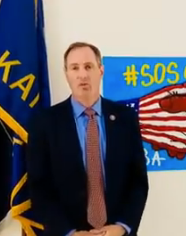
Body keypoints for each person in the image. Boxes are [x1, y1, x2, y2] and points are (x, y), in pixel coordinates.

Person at [26, 42, 149, 236]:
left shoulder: (126, 118)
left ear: (101, 70)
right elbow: (40, 188)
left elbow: (138, 181)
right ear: (66, 74)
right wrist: (69, 233)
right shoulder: (44, 123)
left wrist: (122, 227)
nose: (82, 74)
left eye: (88, 66)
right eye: (75, 68)